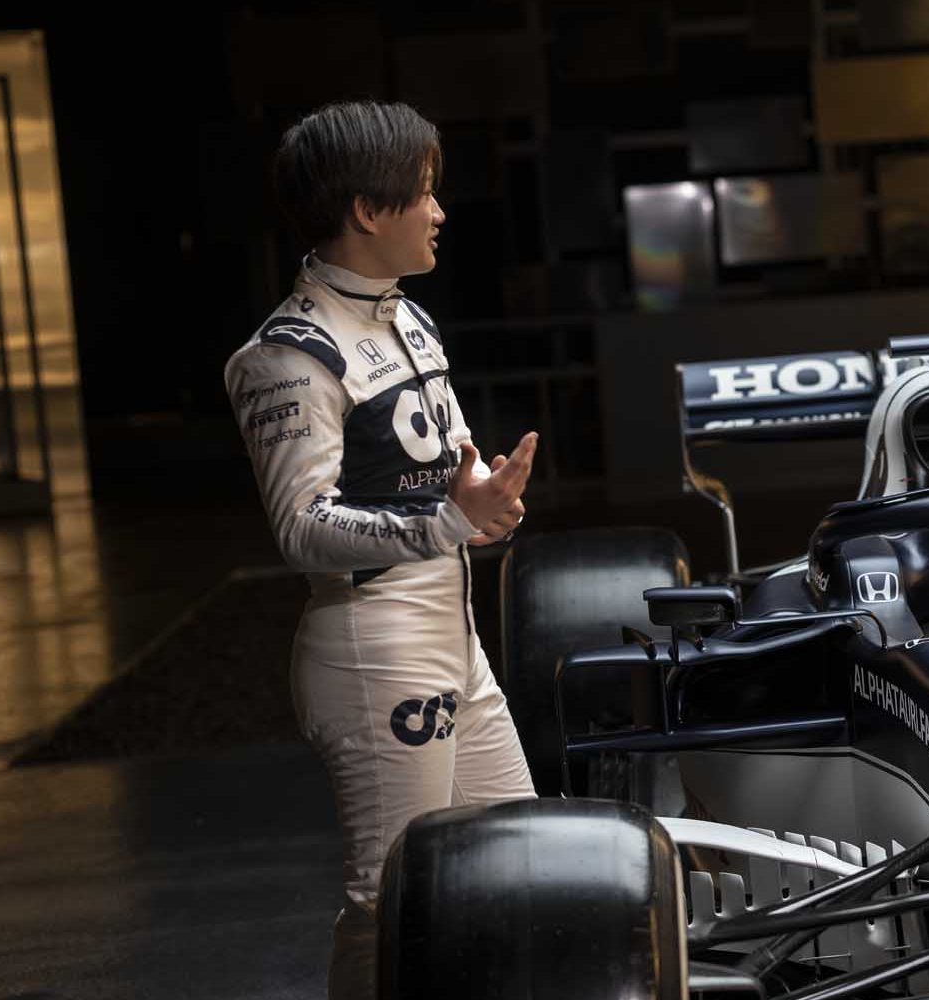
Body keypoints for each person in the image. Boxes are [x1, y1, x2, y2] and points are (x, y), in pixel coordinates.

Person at [224, 101, 539, 1000]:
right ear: (368, 209)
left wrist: (484, 510)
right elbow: (299, 527)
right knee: (390, 894)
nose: (439, 211)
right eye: (425, 192)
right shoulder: (286, 356)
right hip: (372, 645)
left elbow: (454, 480)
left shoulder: (412, 321)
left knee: (515, 855)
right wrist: (444, 523)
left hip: (450, 630)